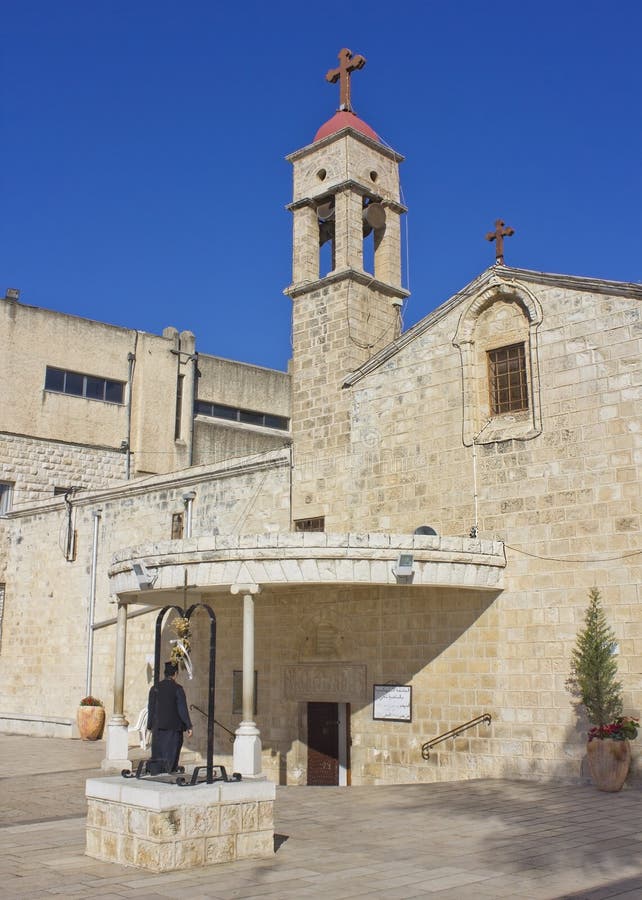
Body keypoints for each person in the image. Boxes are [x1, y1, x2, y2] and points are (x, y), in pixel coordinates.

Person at [147, 661, 193, 773]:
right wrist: (188, 726)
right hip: (173, 729)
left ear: (165, 673)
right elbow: (182, 709)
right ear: (175, 673)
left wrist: (149, 725)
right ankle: (169, 772)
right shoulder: (178, 689)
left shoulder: (155, 688)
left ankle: (157, 772)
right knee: (171, 756)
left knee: (158, 755)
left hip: (157, 728)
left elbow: (151, 708)